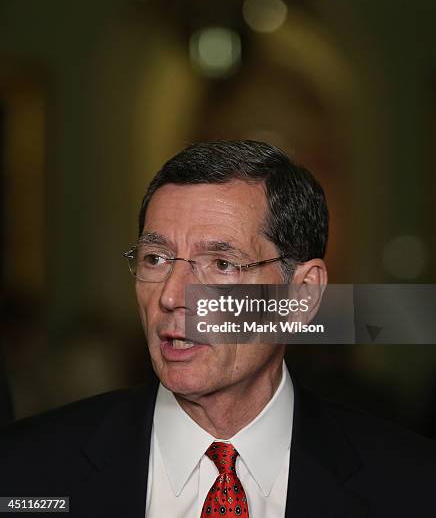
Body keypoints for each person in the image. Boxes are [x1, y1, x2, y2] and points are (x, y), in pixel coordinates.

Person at [0, 140, 435, 518]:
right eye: (155, 259)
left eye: (221, 265)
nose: (172, 296)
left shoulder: (412, 485)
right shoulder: (24, 470)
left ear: (302, 295)